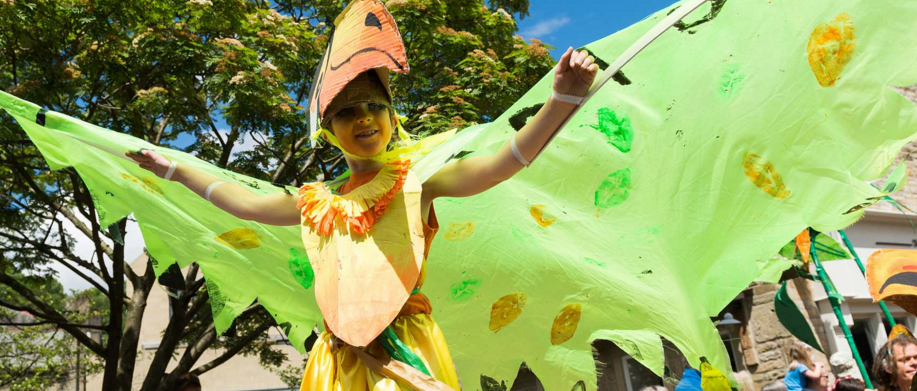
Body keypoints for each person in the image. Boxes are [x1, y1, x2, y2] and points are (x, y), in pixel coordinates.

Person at [126, 0, 597, 389]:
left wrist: (562, 100)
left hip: (406, 351)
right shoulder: (318, 200)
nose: (366, 118)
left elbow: (503, 163)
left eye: (376, 107)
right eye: (349, 112)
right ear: (329, 130)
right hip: (335, 358)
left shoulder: (420, 180)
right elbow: (245, 204)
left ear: (393, 118)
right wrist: (176, 170)